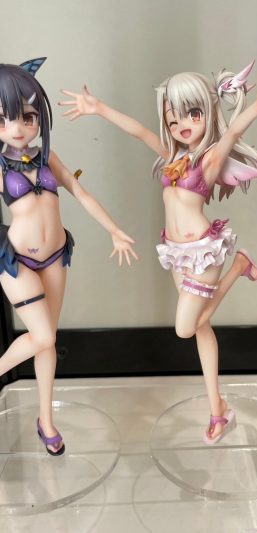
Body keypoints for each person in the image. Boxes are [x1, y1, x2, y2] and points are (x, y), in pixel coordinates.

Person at [60, 60, 257, 444]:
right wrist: (100, 108)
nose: (182, 125)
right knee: (202, 327)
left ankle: (239, 265)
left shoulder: (209, 159)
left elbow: (233, 131)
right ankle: (218, 410)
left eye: (192, 114)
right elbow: (140, 132)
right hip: (175, 252)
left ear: (207, 111)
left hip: (204, 252)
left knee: (185, 328)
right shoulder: (173, 158)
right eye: (173, 120)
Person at [0, 58, 138, 455]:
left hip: (56, 255)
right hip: (18, 262)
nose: (18, 128)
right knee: (41, 335)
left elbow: (81, 193)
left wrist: (113, 230)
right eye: (4, 119)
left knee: (48, 342)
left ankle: (45, 421)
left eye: (27, 117)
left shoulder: (47, 158)